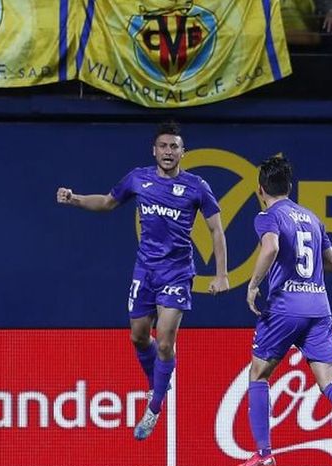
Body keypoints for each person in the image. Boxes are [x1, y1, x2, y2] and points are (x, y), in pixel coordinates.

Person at [56, 121, 229, 441]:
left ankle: (156, 406)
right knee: (138, 336)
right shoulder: (138, 178)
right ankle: (157, 381)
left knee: (164, 340)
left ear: (182, 152)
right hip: (145, 271)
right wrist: (75, 199)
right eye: (163, 146)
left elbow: (216, 230)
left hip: (177, 273)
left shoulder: (197, 187)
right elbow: (108, 202)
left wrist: (221, 275)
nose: (168, 152)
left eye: (174, 146)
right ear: (154, 150)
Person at [234, 155, 332, 466]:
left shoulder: (268, 215)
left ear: (260, 190)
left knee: (259, 374)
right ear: (290, 186)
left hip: (285, 306)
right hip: (318, 306)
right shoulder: (312, 218)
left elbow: (270, 248)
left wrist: (253, 285)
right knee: (329, 380)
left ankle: (264, 454)